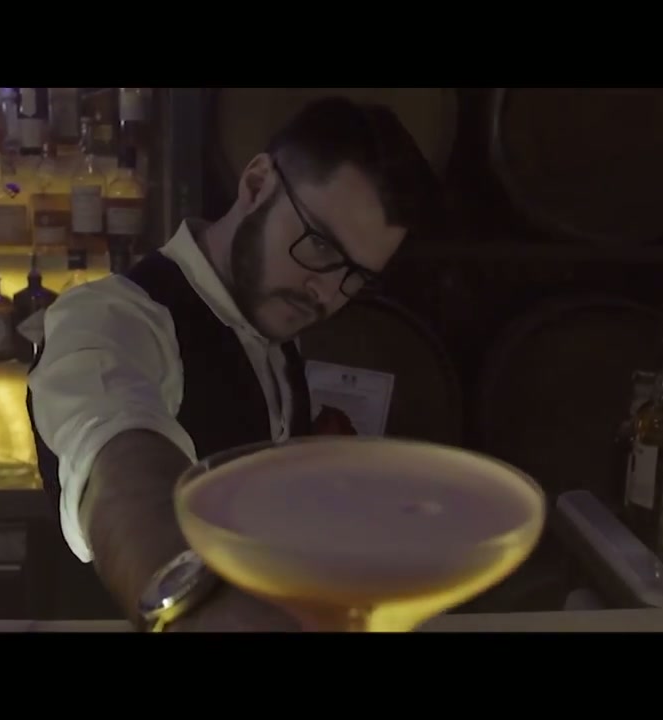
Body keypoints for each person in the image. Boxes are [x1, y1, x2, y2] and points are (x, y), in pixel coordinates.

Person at [26, 95, 440, 631]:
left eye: (355, 277)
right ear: (256, 183)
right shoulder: (110, 318)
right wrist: (199, 610)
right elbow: (119, 464)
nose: (328, 293)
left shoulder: (276, 327)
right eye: (319, 245)